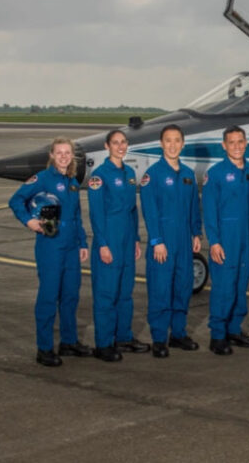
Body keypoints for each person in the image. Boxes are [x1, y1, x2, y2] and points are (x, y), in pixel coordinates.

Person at [9, 137, 90, 367]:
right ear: (52, 156)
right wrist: (29, 222)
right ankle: (44, 348)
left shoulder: (73, 181)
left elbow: (76, 216)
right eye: (60, 152)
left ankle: (69, 341)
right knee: (48, 297)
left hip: (71, 247)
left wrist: (82, 243)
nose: (64, 156)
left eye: (68, 153)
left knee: (70, 296)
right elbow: (16, 201)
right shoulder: (42, 179)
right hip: (50, 245)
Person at [139, 124, 202, 358]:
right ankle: (158, 338)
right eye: (168, 140)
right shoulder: (152, 175)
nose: (173, 145)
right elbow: (150, 211)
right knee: (161, 289)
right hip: (163, 240)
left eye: (177, 140)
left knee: (183, 287)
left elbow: (194, 206)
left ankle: (178, 334)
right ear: (161, 144)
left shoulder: (188, 174)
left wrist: (196, 233)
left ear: (183, 143)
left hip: (184, 240)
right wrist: (157, 241)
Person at [87, 129, 149, 362]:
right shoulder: (99, 175)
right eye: (116, 143)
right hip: (109, 238)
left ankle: (123, 336)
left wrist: (135, 239)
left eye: (124, 142)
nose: (121, 146)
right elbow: (96, 213)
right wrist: (102, 244)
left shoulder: (130, 173)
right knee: (106, 293)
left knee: (125, 293)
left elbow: (133, 210)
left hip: (126, 239)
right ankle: (103, 343)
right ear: (107, 146)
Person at [202, 126, 249, 356]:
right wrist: (214, 241)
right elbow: (209, 210)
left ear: (246, 143)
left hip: (247, 237)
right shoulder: (215, 174)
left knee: (241, 285)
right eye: (231, 142)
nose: (236, 146)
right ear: (224, 146)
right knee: (224, 287)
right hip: (226, 237)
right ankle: (218, 335)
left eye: (240, 141)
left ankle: (234, 328)